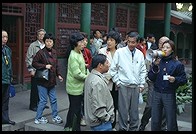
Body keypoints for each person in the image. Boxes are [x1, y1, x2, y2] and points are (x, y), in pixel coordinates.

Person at [110, 32, 147, 131]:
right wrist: (118, 82)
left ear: (137, 42)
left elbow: (143, 70)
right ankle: (122, 128)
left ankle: (133, 128)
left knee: (134, 111)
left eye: (133, 42)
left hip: (135, 86)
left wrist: (142, 83)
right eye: (129, 42)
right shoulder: (120, 52)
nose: (131, 44)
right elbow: (113, 69)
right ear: (126, 40)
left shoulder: (139, 54)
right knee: (123, 110)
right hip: (123, 85)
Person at [148, 39, 187, 131]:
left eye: (167, 47)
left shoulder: (177, 64)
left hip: (169, 93)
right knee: (155, 118)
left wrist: (175, 79)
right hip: (157, 92)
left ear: (172, 50)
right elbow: (151, 77)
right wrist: (154, 65)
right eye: (163, 47)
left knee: (171, 118)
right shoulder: (158, 62)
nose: (164, 49)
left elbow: (183, 79)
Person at [138, 36, 169, 131]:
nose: (162, 46)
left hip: (166, 85)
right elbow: (145, 68)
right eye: (160, 43)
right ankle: (143, 123)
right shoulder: (152, 54)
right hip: (153, 83)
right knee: (150, 106)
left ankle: (162, 127)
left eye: (165, 44)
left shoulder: (171, 55)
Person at [32, 33, 64, 124]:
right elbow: (34, 63)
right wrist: (45, 66)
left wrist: (59, 75)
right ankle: (38, 118)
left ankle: (55, 116)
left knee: (53, 99)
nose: (49, 43)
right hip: (42, 80)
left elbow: (56, 65)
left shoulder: (54, 52)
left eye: (50, 41)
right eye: (47, 41)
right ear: (44, 42)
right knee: (43, 100)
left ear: (53, 42)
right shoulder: (41, 52)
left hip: (52, 80)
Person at [64, 32, 89, 131]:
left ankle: (69, 126)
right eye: (81, 42)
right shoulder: (73, 55)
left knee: (74, 108)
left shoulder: (79, 53)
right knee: (75, 110)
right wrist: (88, 77)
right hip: (74, 88)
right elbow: (77, 74)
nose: (83, 43)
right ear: (75, 43)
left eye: (84, 41)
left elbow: (82, 67)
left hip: (79, 87)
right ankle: (74, 128)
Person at [84, 54, 115, 131]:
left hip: (97, 121)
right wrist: (107, 118)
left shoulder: (91, 77)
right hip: (101, 123)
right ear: (100, 65)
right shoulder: (97, 82)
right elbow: (98, 106)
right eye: (107, 63)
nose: (109, 65)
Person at [98, 29, 121, 131]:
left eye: (111, 40)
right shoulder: (102, 51)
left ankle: (112, 125)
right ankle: (103, 125)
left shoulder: (120, 53)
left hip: (116, 85)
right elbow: (99, 68)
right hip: (105, 83)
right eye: (108, 39)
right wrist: (109, 75)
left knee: (114, 106)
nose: (109, 42)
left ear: (116, 42)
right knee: (104, 106)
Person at [25, 29, 49, 112]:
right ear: (37, 36)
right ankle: (33, 105)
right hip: (36, 69)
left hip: (44, 69)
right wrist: (31, 69)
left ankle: (41, 103)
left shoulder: (46, 45)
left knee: (43, 87)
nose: (42, 36)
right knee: (35, 88)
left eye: (43, 35)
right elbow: (28, 58)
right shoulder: (33, 45)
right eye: (40, 35)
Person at [2, 30, 16, 125]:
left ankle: (5, 119)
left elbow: (9, 65)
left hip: (6, 79)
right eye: (3, 37)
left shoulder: (7, 49)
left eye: (6, 37)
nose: (5, 39)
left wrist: (11, 76)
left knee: (5, 101)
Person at [80, 32, 92, 126]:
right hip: (79, 78)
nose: (85, 42)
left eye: (86, 40)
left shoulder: (87, 51)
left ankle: (84, 116)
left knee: (85, 99)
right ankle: (80, 117)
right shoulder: (75, 51)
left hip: (86, 75)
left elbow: (90, 61)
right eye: (83, 40)